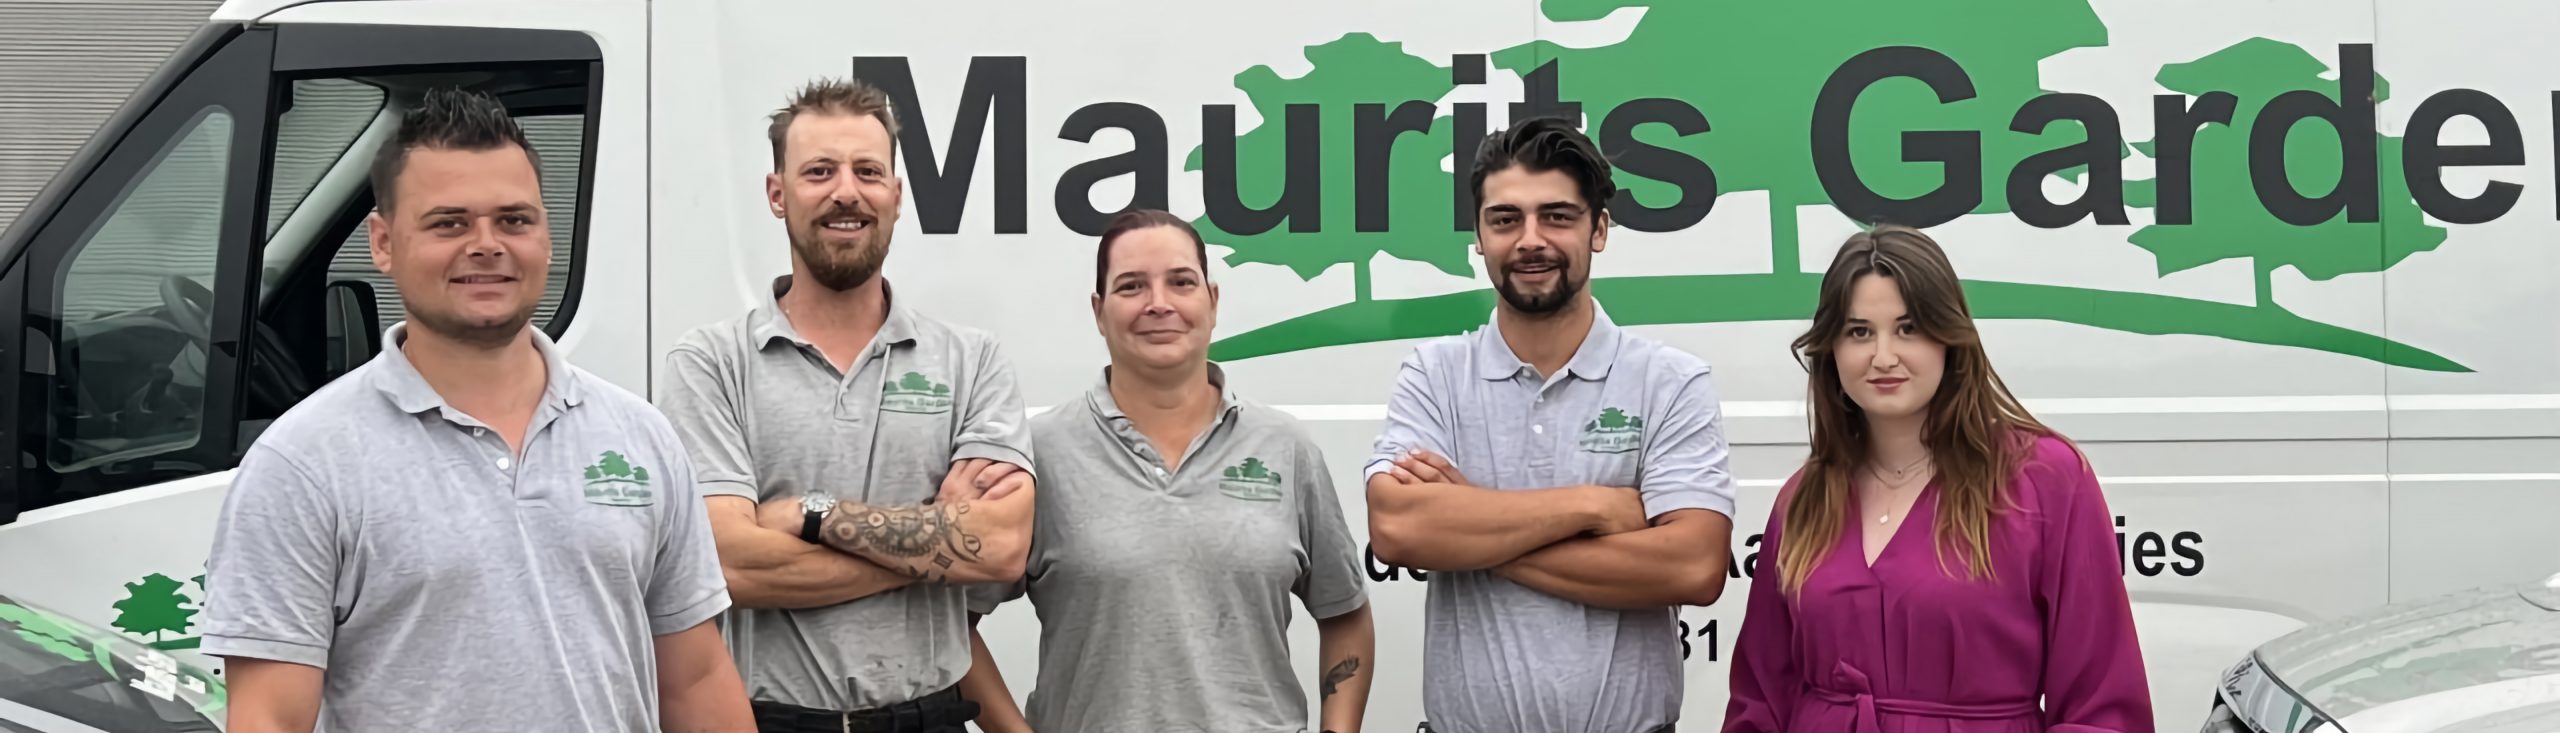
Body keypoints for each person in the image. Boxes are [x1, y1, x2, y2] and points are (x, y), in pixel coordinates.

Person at [199, 87, 752, 732]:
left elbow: (695, 680)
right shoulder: (304, 462)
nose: (487, 245)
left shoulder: (640, 437)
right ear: (383, 242)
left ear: (547, 235)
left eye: (514, 220)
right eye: (449, 223)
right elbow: (269, 717)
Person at [657, 76, 1037, 733]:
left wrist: (812, 514)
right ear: (777, 193)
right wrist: (932, 548)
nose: (846, 192)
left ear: (897, 195)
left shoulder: (971, 359)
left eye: (867, 171)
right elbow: (727, 563)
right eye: (819, 171)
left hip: (931, 720)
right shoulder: (710, 362)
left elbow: (1000, 546)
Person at [1365, 116, 1738, 733]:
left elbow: (1693, 567)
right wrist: (1596, 506)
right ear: (1479, 237)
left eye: (1557, 216)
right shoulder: (1435, 374)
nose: (1530, 240)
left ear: (1600, 230)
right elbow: (1398, 526)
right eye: (1505, 219)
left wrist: (1472, 534)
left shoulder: (1669, 381)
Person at [1721, 225, 2154, 733]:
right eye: (1859, 332)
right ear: (1831, 349)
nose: (1884, 357)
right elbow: (1760, 702)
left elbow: (2101, 708)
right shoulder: (1803, 499)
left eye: (1908, 328)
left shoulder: (2044, 480)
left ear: (1949, 337)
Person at [959, 209, 1378, 732]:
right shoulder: (1037, 455)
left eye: (1181, 282)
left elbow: (1345, 614)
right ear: (1099, 311)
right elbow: (950, 623)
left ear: (1212, 301)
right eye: (1131, 286)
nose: (1159, 303)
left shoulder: (1286, 448)